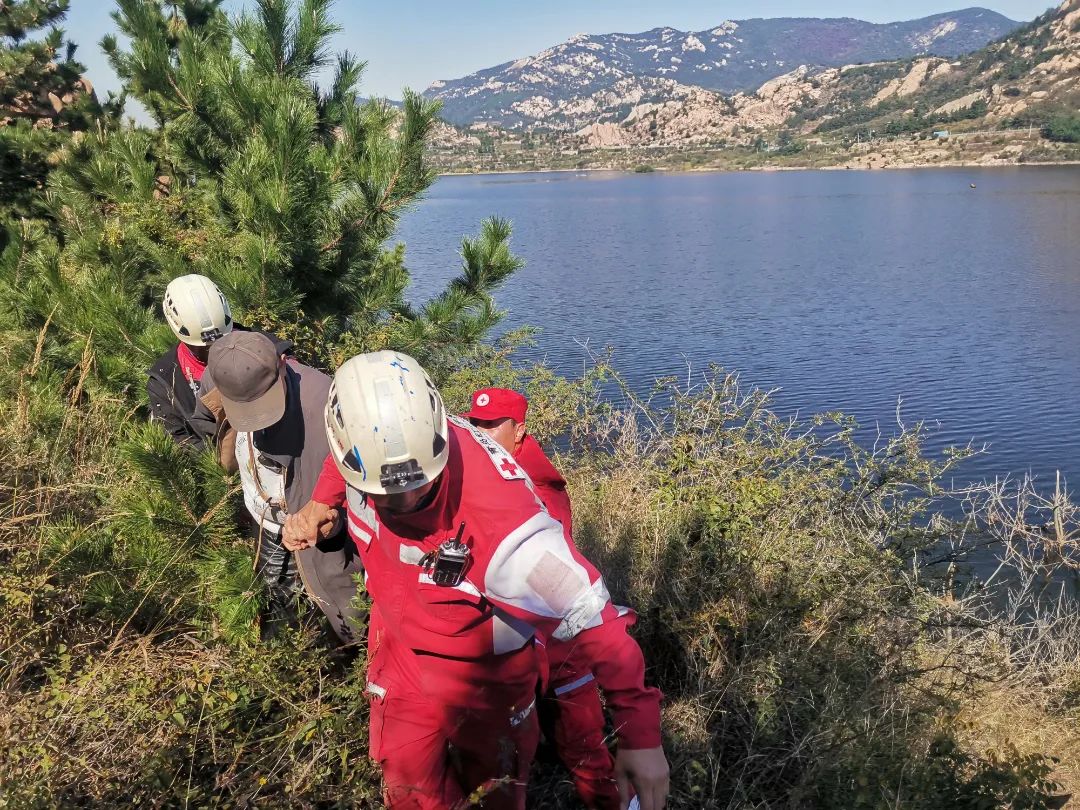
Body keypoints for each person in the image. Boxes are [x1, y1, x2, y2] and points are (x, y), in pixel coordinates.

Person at [283, 351, 669, 810]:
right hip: (402, 659)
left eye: (418, 489)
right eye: (385, 492)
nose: (403, 502)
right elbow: (339, 464)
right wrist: (321, 504)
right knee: (408, 796)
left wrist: (641, 738)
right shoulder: (378, 436)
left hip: (487, 685)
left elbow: (591, 619)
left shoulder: (508, 529)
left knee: (494, 796)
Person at [464, 387, 617, 809]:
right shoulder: (487, 468)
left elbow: (552, 578)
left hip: (555, 633)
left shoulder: (537, 487)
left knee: (582, 740)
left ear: (519, 431)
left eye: (492, 425)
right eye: (475, 424)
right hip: (514, 635)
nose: (480, 432)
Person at [206, 331, 361, 643]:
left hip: (321, 539)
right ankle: (286, 652)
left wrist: (331, 521)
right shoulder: (221, 375)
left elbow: (356, 483)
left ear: (282, 362)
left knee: (342, 614)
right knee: (280, 603)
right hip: (266, 526)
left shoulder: (326, 405)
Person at [147, 273, 291, 449]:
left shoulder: (269, 348)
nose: (215, 350)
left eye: (221, 339)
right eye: (204, 347)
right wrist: (219, 467)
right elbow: (178, 439)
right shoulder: (167, 380)